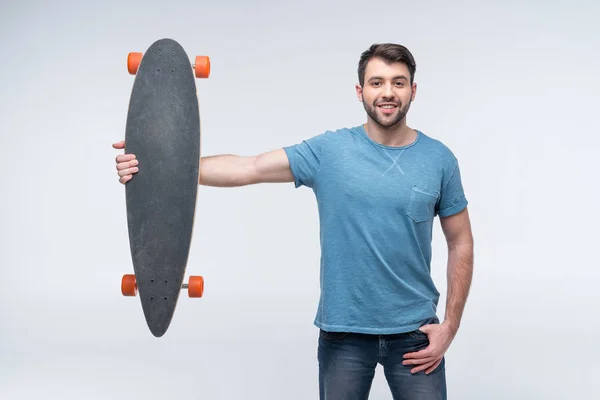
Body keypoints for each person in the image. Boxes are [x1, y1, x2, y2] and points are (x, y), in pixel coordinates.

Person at [113, 43, 474, 400]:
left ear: (413, 90)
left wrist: (450, 327)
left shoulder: (439, 160)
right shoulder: (329, 152)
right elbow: (248, 167)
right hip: (343, 333)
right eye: (376, 82)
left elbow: (461, 242)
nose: (387, 92)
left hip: (415, 334)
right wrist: (159, 162)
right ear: (360, 90)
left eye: (398, 82)